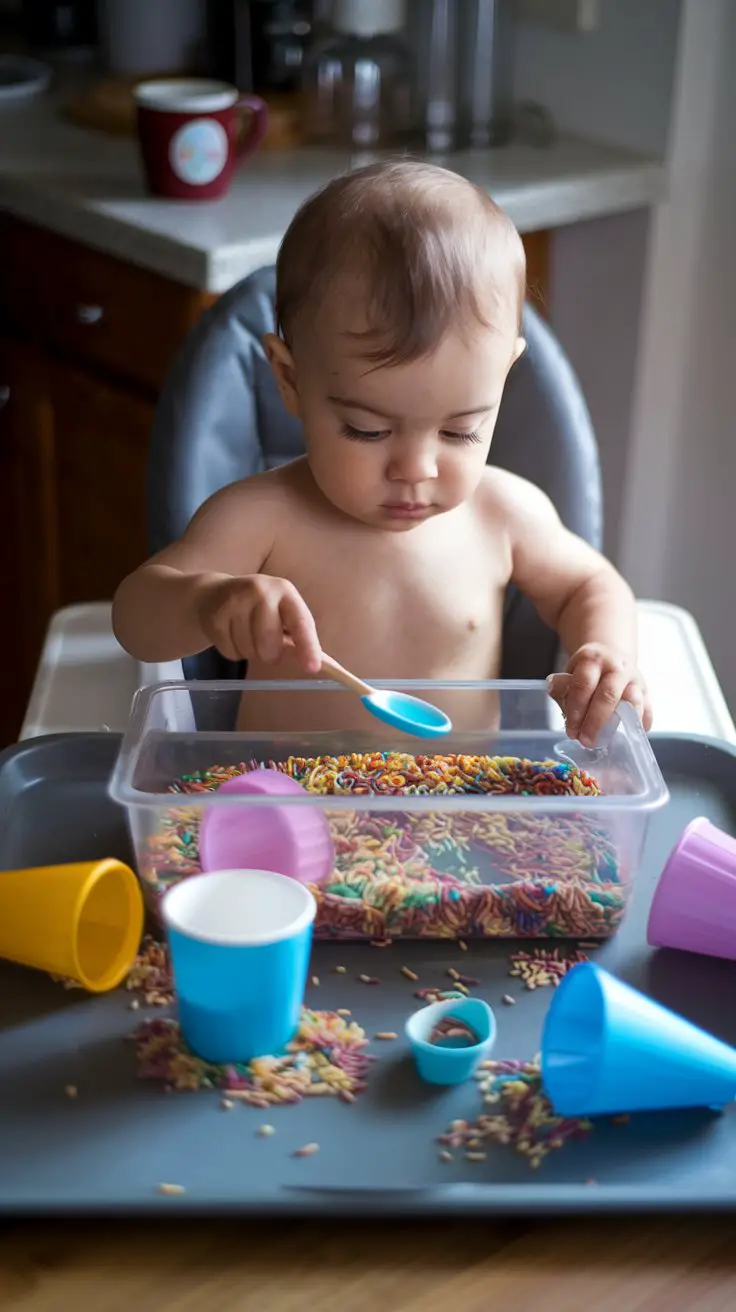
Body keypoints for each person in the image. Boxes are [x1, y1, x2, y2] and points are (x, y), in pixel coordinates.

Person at [113, 160, 651, 747]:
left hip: (462, 794)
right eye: (367, 431)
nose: (416, 470)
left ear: (504, 376)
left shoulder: (505, 515)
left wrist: (605, 652)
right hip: (282, 793)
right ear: (289, 380)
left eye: (460, 431)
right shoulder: (261, 518)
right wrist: (206, 603)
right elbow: (135, 617)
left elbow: (590, 585)